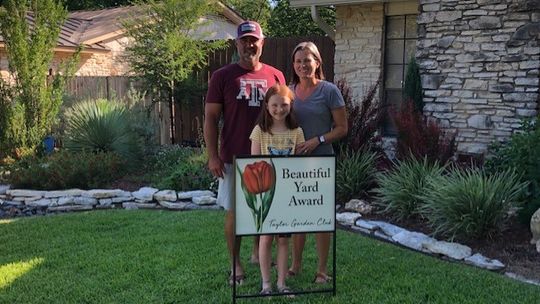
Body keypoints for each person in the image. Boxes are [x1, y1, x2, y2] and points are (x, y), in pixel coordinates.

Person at [204, 20, 286, 286]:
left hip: (270, 155)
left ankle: (256, 253)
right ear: (236, 43)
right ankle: (235, 263)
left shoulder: (276, 76)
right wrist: (213, 156)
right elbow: (210, 118)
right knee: (235, 213)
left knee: (265, 208)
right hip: (233, 157)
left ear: (262, 43)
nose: (249, 45)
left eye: (254, 40)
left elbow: (285, 115)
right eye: (244, 40)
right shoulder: (223, 76)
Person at [287, 41, 348, 284]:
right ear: (294, 65)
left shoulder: (329, 90)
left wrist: (318, 140)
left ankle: (322, 270)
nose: (303, 65)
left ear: (317, 62)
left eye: (307, 60)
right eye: (299, 61)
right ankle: (295, 265)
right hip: (294, 164)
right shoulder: (288, 92)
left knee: (321, 217)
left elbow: (342, 128)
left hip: (321, 161)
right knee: (298, 215)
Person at [249, 84, 305, 295]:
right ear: (267, 106)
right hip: (265, 194)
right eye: (274, 105)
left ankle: (281, 283)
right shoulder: (259, 132)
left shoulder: (297, 132)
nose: (279, 109)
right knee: (266, 239)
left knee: (283, 240)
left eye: (284, 104)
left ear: (291, 105)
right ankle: (266, 284)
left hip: (287, 195)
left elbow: (299, 164)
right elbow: (253, 164)